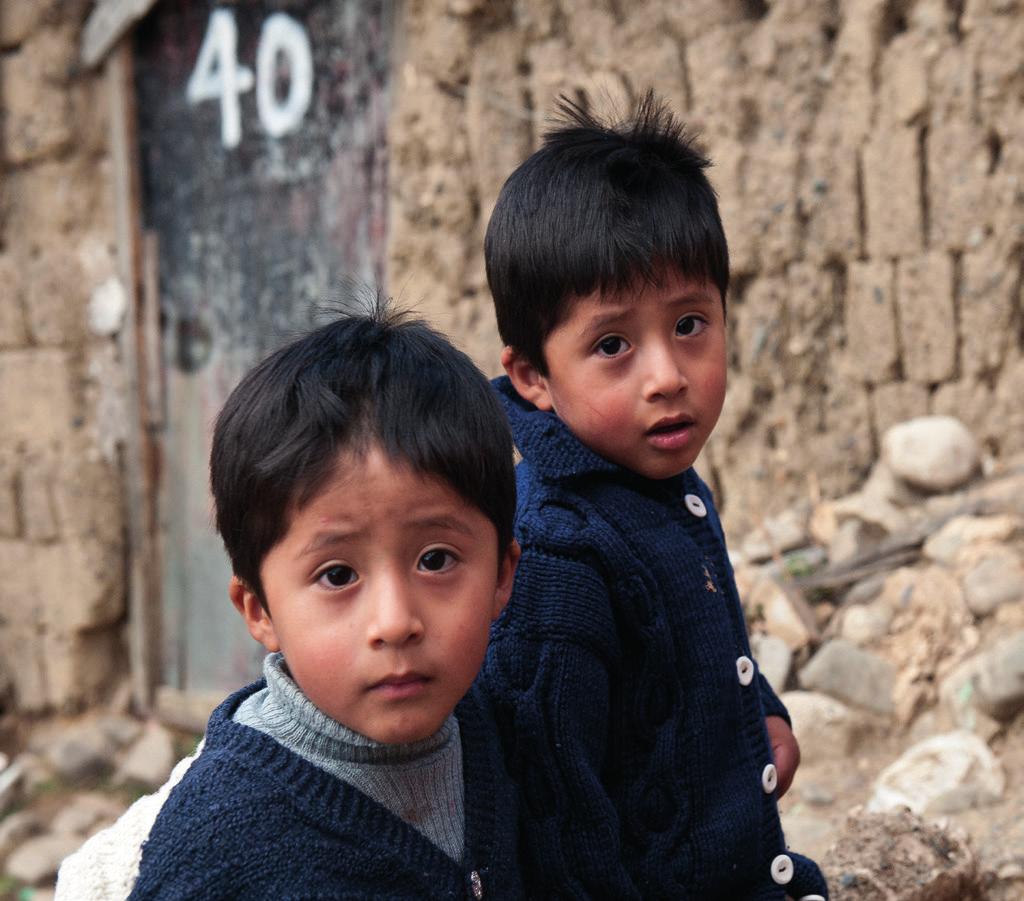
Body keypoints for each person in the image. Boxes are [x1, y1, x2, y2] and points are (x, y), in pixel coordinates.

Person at [480, 92, 829, 900]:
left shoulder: (655, 480)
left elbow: (676, 649)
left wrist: (757, 711)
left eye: (690, 324)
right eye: (612, 344)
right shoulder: (558, 558)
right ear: (533, 375)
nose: (667, 375)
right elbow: (560, 820)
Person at [62, 303, 523, 900]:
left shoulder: (491, 733)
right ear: (259, 610)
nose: (395, 622)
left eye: (435, 560)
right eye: (337, 575)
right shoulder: (222, 846)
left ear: (502, 575)